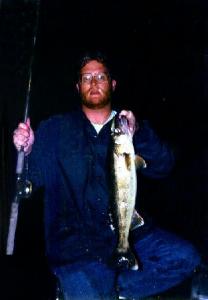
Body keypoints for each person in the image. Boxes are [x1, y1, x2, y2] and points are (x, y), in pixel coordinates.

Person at [13, 50, 201, 300]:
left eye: (100, 76)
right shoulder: (55, 129)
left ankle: (119, 288)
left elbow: (163, 166)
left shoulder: (129, 127)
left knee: (185, 258)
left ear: (112, 84)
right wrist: (25, 151)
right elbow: (29, 182)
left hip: (127, 234)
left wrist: (140, 134)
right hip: (76, 250)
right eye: (86, 77)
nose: (93, 82)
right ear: (78, 86)